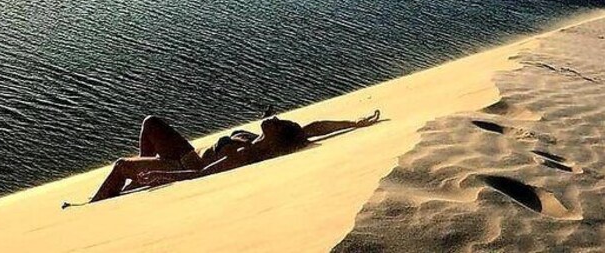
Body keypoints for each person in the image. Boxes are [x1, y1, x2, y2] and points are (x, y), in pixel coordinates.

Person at [78, 111, 382, 204]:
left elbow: (203, 176)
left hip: (185, 165)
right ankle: (134, 186)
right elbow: (315, 127)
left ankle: (93, 206)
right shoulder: (267, 138)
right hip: (189, 153)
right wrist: (355, 124)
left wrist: (164, 176)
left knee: (120, 166)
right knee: (151, 122)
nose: (274, 118)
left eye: (277, 123)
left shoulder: (244, 153)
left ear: (276, 138)